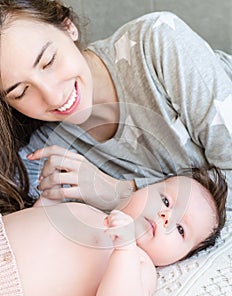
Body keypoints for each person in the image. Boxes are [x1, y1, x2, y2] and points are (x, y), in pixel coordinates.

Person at [0, 0, 231, 215]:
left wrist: (121, 193)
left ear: (67, 26)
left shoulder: (157, 42)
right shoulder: (43, 154)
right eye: (21, 92)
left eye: (49, 61)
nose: (53, 96)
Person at [0, 165, 227, 296]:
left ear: (180, 257)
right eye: (166, 201)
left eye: (180, 230)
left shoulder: (139, 265)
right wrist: (49, 201)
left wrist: (125, 248)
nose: (165, 216)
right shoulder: (93, 213)